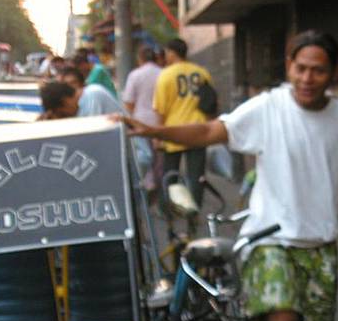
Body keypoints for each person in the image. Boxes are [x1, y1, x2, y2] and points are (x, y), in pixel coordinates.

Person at [120, 29, 338, 321]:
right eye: (300, 68)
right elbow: (211, 129)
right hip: (269, 239)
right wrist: (155, 130)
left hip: (321, 246)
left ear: (333, 72)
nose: (307, 78)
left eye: (317, 71)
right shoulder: (268, 108)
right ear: (289, 66)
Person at [39, 78, 152, 174]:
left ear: (66, 102)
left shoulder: (93, 96)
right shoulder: (85, 101)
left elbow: (88, 142)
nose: (65, 117)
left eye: (63, 114)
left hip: (134, 157)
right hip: (118, 162)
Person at [152, 38, 213, 208]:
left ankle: (169, 208)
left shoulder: (165, 75)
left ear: (172, 52)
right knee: (197, 176)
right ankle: (194, 209)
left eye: (166, 52)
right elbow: (211, 100)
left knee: (170, 175)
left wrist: (158, 135)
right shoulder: (201, 72)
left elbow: (160, 109)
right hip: (198, 130)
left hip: (174, 132)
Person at [122, 46, 162, 197]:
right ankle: (158, 187)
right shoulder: (163, 73)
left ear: (140, 59)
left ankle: (146, 186)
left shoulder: (135, 75)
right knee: (159, 159)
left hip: (140, 121)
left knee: (144, 155)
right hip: (161, 122)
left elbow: (128, 101)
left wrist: (134, 115)